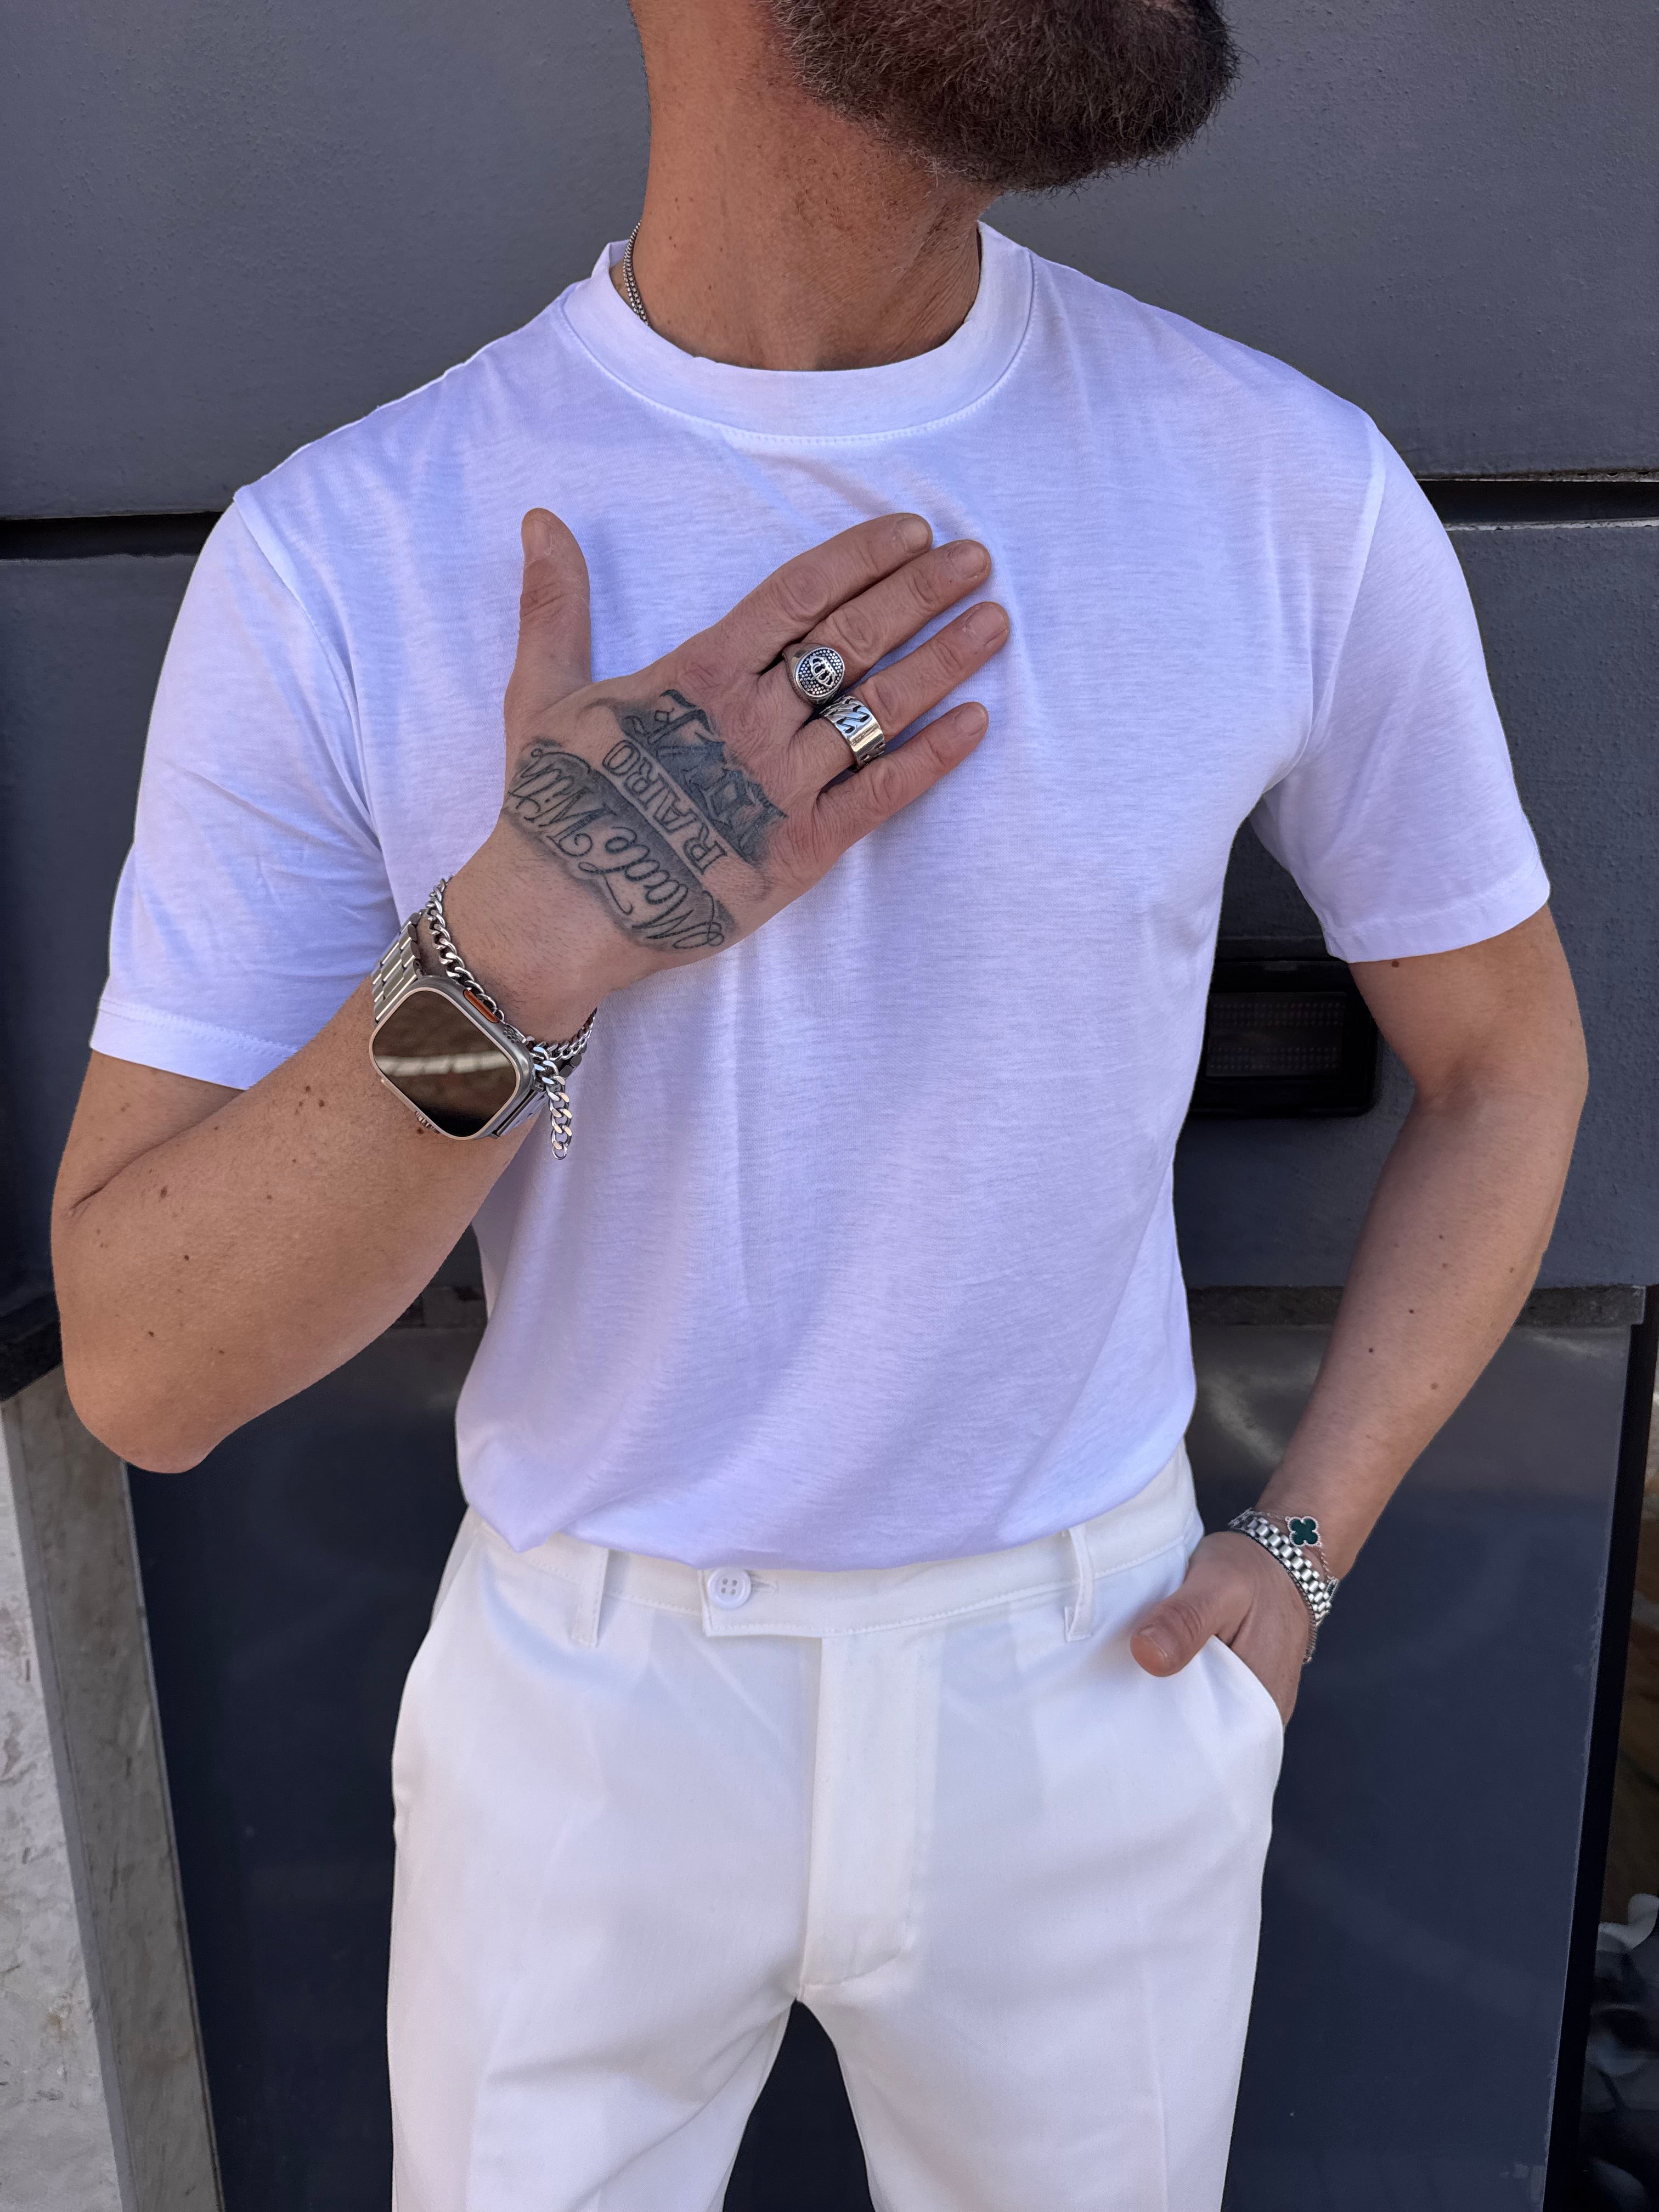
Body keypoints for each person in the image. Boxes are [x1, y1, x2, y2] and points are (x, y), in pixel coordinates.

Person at [52, 0, 1587, 2204]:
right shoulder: (349, 555)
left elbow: (1509, 1062)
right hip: (585, 1714)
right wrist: (519, 949)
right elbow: (144, 1364)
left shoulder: (1276, 486)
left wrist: (1299, 1553)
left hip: (1092, 1676)